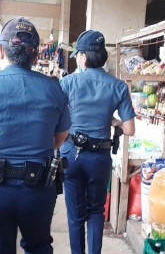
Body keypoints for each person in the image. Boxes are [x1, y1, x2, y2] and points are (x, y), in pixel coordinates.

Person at [0, 17, 71, 254]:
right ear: (35, 54)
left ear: (0, 50)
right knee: (38, 246)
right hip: (38, 189)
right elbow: (61, 135)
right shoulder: (53, 87)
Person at [60, 30, 135, 254]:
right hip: (99, 158)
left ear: (83, 56)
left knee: (75, 216)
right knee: (95, 212)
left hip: (71, 154)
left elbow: (54, 117)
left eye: (77, 55)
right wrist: (116, 123)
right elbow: (130, 129)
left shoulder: (67, 83)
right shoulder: (118, 86)